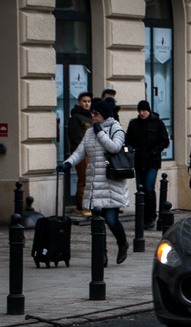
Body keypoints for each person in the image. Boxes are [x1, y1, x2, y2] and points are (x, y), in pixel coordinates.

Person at [57, 99, 130, 265]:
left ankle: (122, 243)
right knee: (98, 223)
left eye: (95, 113)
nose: (92, 115)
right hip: (94, 183)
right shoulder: (90, 132)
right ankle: (101, 254)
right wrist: (68, 163)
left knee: (111, 219)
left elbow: (114, 148)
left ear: (103, 114)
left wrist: (100, 132)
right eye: (92, 113)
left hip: (112, 182)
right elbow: (80, 151)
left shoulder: (115, 128)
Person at [125, 100, 170, 229]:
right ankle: (142, 217)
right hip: (139, 161)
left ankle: (151, 216)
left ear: (149, 111)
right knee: (141, 189)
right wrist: (130, 150)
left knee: (149, 188)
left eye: (144, 110)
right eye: (140, 111)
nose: (142, 113)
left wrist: (155, 151)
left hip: (152, 161)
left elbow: (165, 141)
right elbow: (128, 140)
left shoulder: (157, 123)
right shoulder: (134, 124)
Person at [67, 91, 93, 217]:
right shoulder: (76, 118)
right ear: (79, 102)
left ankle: (88, 205)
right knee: (84, 179)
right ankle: (81, 206)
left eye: (88, 101)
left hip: (92, 153)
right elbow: (75, 138)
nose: (87, 104)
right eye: (84, 101)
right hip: (82, 153)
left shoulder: (91, 116)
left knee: (90, 180)